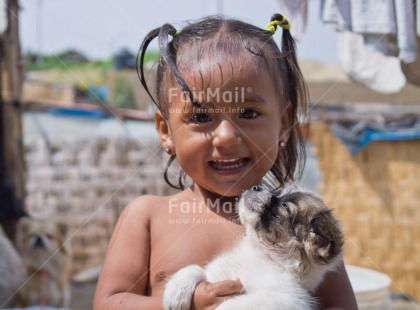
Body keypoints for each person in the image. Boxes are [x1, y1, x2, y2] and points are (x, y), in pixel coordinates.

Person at [94, 13, 358, 310]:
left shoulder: (299, 224)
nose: (226, 137)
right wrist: (187, 305)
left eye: (248, 113)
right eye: (201, 117)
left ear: (283, 124)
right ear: (166, 131)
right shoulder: (147, 217)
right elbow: (109, 303)